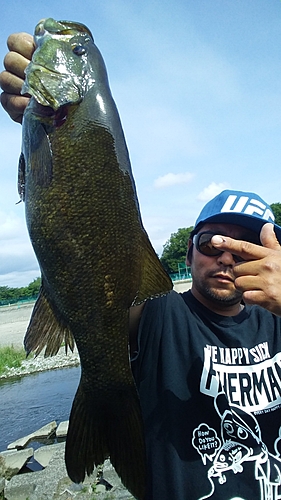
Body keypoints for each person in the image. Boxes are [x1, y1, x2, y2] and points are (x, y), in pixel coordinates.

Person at [2, 31, 281, 500]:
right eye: (211, 241)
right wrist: (36, 129)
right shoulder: (160, 318)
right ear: (187, 255)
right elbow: (94, 280)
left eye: (248, 243)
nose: (227, 253)